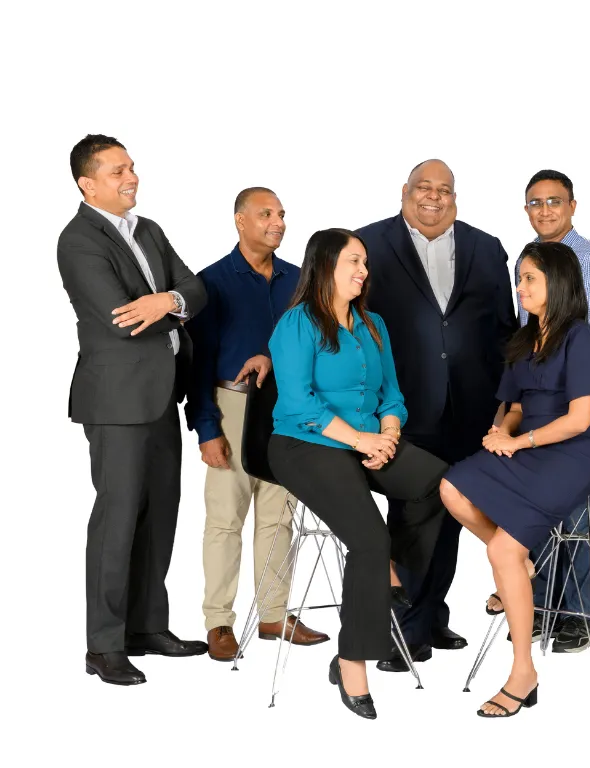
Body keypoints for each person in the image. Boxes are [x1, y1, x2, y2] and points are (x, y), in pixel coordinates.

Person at [266, 228, 449, 720]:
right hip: (306, 445)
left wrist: (388, 431)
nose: (363, 271)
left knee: (438, 485)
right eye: (353, 261)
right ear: (324, 265)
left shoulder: (373, 324)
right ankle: (352, 661)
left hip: (370, 439)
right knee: (369, 541)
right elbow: (299, 403)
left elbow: (392, 392)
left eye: (364, 262)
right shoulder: (297, 324)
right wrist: (360, 440)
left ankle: (388, 576)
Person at [57, 134, 209, 686]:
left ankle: (147, 627)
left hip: (164, 394)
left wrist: (167, 300)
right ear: (87, 183)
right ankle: (104, 644)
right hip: (117, 401)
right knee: (117, 519)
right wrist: (169, 307)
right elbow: (122, 318)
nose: (132, 177)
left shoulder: (149, 231)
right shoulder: (78, 240)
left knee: (161, 512)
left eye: (133, 167)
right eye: (119, 170)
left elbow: (196, 289)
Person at [441, 241, 590, 717]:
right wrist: (502, 431)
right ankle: (527, 566)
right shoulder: (524, 339)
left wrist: (518, 444)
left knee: (502, 550)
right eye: (519, 279)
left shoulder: (582, 338)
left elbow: (580, 420)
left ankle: (523, 673)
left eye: (529, 279)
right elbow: (514, 407)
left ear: (555, 283)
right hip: (532, 443)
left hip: (577, 451)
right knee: (452, 486)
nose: (519, 288)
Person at [357, 159, 518, 671]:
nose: (433, 197)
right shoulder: (369, 245)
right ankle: (405, 632)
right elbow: (348, 321)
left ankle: (432, 614)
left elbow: (503, 330)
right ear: (405, 192)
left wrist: (506, 405)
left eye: (443, 190)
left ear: (456, 197)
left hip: (472, 408)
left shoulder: (486, 248)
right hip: (401, 407)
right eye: (423, 188)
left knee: (452, 512)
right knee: (413, 514)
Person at [185, 187, 327, 661]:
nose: (278, 222)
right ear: (239, 221)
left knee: (280, 514)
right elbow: (198, 364)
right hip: (233, 405)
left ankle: (274, 614)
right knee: (225, 520)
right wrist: (207, 429)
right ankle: (219, 622)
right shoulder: (212, 282)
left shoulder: (300, 280)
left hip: (288, 408)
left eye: (282, 214)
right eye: (266, 214)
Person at [484, 169, 590, 653]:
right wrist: (505, 426)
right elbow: (526, 347)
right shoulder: (528, 261)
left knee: (573, 499)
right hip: (536, 405)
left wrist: (548, 413)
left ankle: (576, 613)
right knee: (508, 485)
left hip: (577, 406)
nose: (544, 210)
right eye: (535, 202)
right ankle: (536, 598)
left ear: (573, 206)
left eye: (554, 201)